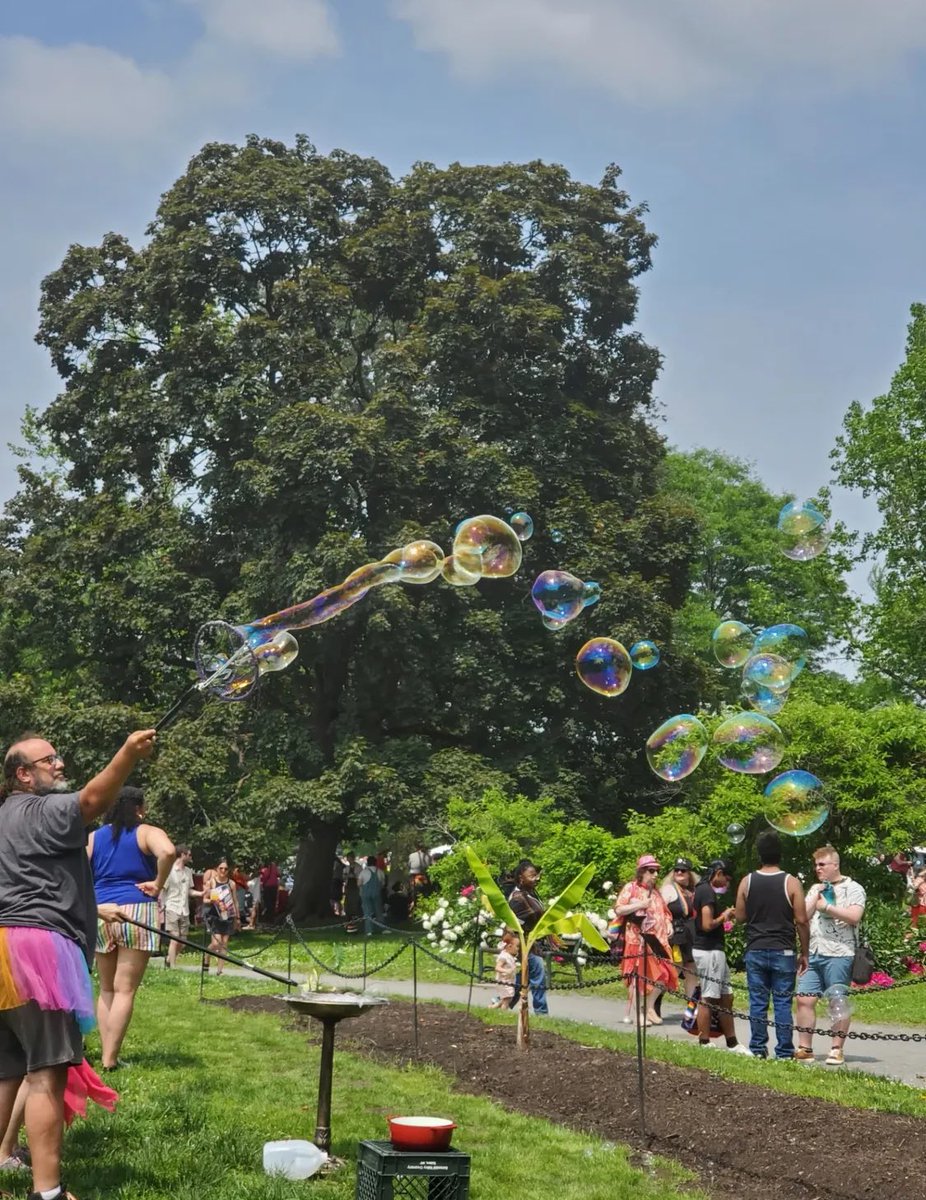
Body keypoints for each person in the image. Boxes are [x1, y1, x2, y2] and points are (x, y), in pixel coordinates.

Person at [0, 727, 156, 1200]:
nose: (60, 764)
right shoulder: (40, 807)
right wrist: (128, 754)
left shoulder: (5, 815)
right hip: (38, 950)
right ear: (23, 775)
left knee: (6, 1068)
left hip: (2, 945)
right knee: (46, 1070)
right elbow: (90, 801)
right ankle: (47, 1192)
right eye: (49, 760)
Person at [89, 786, 176, 1070]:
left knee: (106, 989)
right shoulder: (147, 831)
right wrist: (158, 884)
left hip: (101, 911)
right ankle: (110, 1059)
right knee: (124, 990)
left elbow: (79, 867)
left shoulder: (94, 837)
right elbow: (168, 852)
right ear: (139, 808)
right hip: (136, 909)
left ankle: (106, 1054)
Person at [734, 830, 809, 1060]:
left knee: (757, 1002)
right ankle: (784, 1051)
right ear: (780, 854)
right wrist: (805, 951)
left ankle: (758, 1049)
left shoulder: (747, 881)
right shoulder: (791, 882)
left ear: (759, 854)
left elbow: (739, 917)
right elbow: (802, 920)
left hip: (755, 948)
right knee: (782, 1003)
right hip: (783, 950)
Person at [795, 844, 867, 1065]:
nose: (818, 868)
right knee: (804, 999)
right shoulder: (815, 888)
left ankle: (836, 1048)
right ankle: (805, 1048)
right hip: (814, 951)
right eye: (816, 865)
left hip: (839, 952)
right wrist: (815, 896)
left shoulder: (853, 888)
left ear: (835, 865)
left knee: (837, 1000)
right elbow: (803, 917)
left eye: (822, 864)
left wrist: (827, 907)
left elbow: (855, 916)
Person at [691, 859, 750, 1054]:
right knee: (709, 996)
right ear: (717, 873)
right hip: (709, 951)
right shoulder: (706, 891)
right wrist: (724, 916)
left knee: (727, 996)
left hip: (715, 950)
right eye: (726, 877)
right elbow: (707, 924)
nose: (727, 882)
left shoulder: (702, 890)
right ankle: (705, 1041)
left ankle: (732, 1041)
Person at [613, 854, 678, 1026]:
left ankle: (649, 1008)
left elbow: (664, 912)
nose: (655, 874)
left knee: (664, 974)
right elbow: (619, 909)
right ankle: (639, 1014)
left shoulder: (656, 892)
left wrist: (668, 923)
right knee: (636, 979)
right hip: (637, 940)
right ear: (642, 872)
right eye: (651, 871)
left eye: (657, 871)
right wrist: (639, 905)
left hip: (657, 940)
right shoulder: (631, 888)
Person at [507, 860, 550, 1015]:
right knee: (538, 973)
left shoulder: (530, 894)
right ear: (520, 877)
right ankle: (541, 1012)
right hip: (523, 944)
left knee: (523, 978)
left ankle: (501, 1001)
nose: (536, 878)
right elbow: (512, 925)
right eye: (531, 875)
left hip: (532, 943)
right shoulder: (518, 898)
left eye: (536, 875)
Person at [659, 857, 700, 1003]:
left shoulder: (693, 890)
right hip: (676, 935)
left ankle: (692, 1007)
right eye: (676, 870)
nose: (679, 872)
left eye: (683, 870)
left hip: (690, 935)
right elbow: (659, 910)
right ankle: (651, 1003)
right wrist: (667, 924)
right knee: (673, 970)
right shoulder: (669, 889)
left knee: (691, 971)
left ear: (689, 873)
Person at [161, 847, 202, 967]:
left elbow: (190, 891)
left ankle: (169, 959)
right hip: (171, 906)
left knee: (183, 942)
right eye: (189, 855)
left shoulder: (188, 871)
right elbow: (162, 889)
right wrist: (162, 905)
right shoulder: (169, 870)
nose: (190, 857)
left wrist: (201, 893)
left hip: (184, 909)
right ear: (182, 855)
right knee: (175, 937)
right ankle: (173, 967)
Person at [202, 860, 240, 974]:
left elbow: (235, 901)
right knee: (215, 943)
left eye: (225, 869)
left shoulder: (231, 884)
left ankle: (219, 971)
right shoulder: (212, 882)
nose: (223, 871)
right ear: (217, 869)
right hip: (215, 915)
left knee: (224, 944)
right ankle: (207, 957)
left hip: (228, 915)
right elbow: (204, 899)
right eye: (221, 868)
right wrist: (212, 901)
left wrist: (237, 917)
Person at [489, 930, 519, 1010]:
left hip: (509, 981)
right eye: (517, 946)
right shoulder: (504, 956)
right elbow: (497, 967)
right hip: (503, 981)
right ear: (509, 946)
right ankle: (503, 1012)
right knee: (507, 1000)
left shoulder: (510, 956)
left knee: (506, 999)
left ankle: (492, 1007)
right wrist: (506, 971)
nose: (518, 949)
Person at [358, 856, 384, 936]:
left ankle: (369, 930)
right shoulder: (380, 872)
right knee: (379, 911)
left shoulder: (364, 872)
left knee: (367, 912)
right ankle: (382, 929)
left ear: (367, 863)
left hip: (366, 894)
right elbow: (382, 883)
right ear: (375, 863)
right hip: (376, 893)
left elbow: (359, 883)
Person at [259, 861, 279, 925]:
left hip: (267, 887)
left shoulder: (266, 869)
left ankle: (268, 918)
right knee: (273, 902)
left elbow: (265, 877)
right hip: (274, 886)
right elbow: (278, 874)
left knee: (268, 902)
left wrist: (263, 884)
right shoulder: (275, 868)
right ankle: (272, 918)